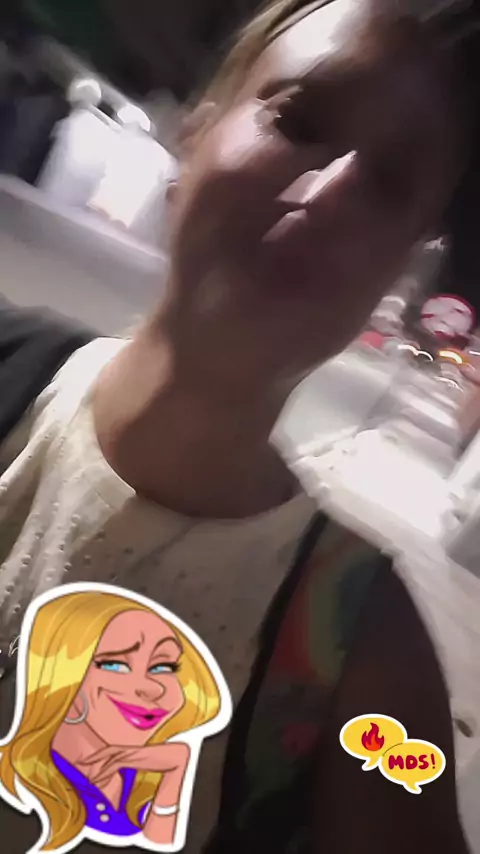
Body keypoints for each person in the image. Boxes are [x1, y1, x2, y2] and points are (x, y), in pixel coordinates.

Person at [0, 1, 475, 852]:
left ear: (402, 269)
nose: (328, 196)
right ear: (196, 134)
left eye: (390, 184)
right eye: (301, 120)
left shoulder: (367, 665)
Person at [0, 585, 230, 852]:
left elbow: (158, 845)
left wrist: (175, 773)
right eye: (114, 664)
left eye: (163, 666)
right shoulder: (18, 780)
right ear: (60, 675)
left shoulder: (143, 777)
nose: (153, 688)